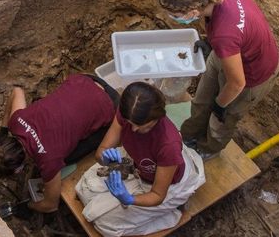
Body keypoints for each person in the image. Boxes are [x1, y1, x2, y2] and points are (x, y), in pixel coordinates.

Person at [158, 0, 279, 158]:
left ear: (192, 11)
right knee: (201, 102)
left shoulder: (225, 35)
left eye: (176, 15)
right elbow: (229, 33)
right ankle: (190, 136)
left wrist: (220, 105)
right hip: (229, 52)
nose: (173, 18)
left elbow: (237, 83)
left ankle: (207, 149)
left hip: (252, 75)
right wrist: (209, 40)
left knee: (220, 121)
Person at [75, 82, 205, 237]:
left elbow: (157, 195)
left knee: (105, 224)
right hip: (137, 164)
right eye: (131, 124)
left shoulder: (167, 144)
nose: (135, 130)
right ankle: (136, 206)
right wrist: (106, 158)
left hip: (163, 186)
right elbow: (101, 151)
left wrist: (129, 199)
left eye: (145, 126)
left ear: (158, 117)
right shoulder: (128, 113)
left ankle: (172, 217)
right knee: (84, 189)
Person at [0, 74, 119, 213]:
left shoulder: (49, 162)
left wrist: (27, 207)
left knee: (68, 158)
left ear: (18, 169)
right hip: (87, 80)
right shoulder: (16, 120)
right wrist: (4, 128)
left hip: (111, 103)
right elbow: (17, 91)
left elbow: (51, 205)